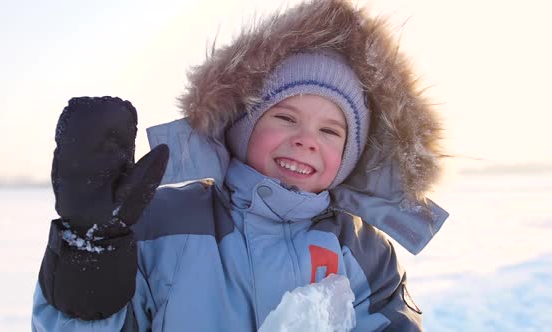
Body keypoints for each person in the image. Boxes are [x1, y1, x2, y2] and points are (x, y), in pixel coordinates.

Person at [32, 0, 449, 331]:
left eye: (331, 131)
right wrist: (88, 262)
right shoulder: (160, 223)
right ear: (240, 129)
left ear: (350, 157)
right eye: (285, 118)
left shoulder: (363, 249)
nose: (306, 139)